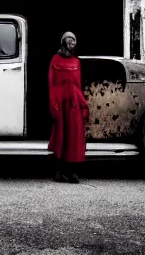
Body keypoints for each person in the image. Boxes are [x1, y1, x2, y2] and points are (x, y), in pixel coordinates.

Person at [48, 31, 89, 184]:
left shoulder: (76, 62)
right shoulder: (55, 59)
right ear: (63, 43)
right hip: (60, 102)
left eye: (73, 41)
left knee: (75, 137)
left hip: (73, 103)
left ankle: (73, 172)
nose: (71, 44)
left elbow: (77, 85)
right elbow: (51, 83)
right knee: (61, 137)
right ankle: (60, 172)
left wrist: (82, 103)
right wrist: (53, 104)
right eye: (69, 41)